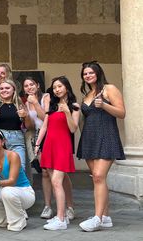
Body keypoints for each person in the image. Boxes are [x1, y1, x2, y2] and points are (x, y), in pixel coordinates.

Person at [77, 61, 125, 232]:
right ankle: (105, 217)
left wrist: (104, 105)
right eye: (85, 74)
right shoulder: (87, 94)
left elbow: (122, 113)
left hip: (107, 135)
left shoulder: (109, 89)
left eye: (90, 72)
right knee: (97, 179)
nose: (88, 76)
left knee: (98, 176)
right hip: (89, 138)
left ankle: (96, 218)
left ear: (98, 73)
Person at [23, 77, 74, 220]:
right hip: (38, 135)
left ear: (38, 85)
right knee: (46, 172)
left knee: (59, 175)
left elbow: (46, 116)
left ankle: (67, 207)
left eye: (32, 84)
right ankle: (48, 206)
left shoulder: (46, 97)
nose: (29, 87)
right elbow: (33, 124)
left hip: (54, 134)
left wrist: (35, 104)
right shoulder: (27, 102)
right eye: (26, 86)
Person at [35, 76, 80, 231]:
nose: (57, 90)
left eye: (60, 86)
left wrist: (67, 112)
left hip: (63, 146)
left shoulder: (74, 106)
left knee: (56, 181)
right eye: (54, 88)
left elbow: (73, 129)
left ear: (66, 87)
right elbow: (44, 127)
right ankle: (62, 215)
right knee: (57, 181)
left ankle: (61, 218)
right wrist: (37, 144)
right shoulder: (52, 105)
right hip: (49, 145)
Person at [0, 128, 35, 232]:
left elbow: (12, 181)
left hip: (25, 193)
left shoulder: (12, 155)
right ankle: (3, 221)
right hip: (6, 191)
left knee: (7, 190)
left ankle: (18, 222)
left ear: (3, 141)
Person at [0, 79, 32, 170]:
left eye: (7, 88)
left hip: (16, 140)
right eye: (1, 88)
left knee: (19, 170)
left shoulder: (19, 104)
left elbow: (29, 126)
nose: (4, 90)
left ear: (13, 90)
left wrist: (26, 116)